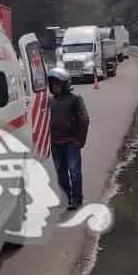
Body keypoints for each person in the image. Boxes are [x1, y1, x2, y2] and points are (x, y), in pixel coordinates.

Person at [47, 67, 89, 210]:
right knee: (60, 172)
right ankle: (66, 198)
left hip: (72, 141)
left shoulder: (76, 100)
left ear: (65, 84)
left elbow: (84, 120)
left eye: (58, 84)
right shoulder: (50, 102)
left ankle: (77, 198)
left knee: (74, 171)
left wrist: (80, 140)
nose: (55, 87)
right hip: (56, 143)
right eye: (53, 84)